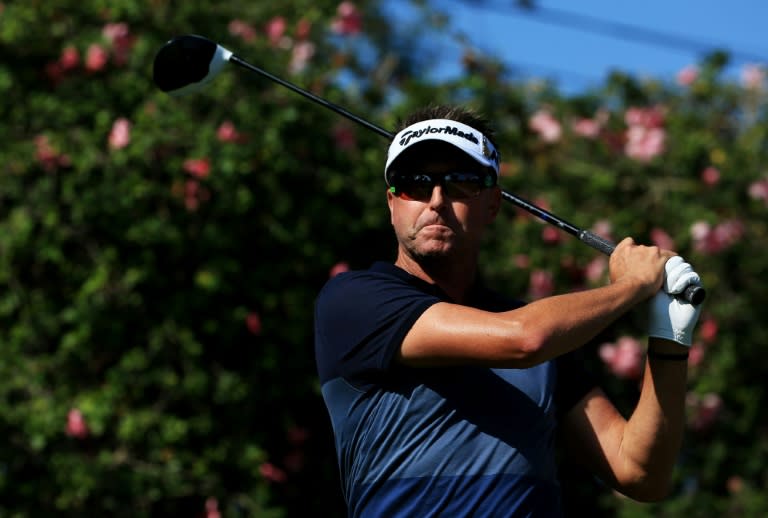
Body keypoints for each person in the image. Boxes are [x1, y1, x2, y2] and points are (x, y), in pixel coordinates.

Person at [314, 104, 703, 517]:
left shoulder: (548, 334)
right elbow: (523, 340)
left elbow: (640, 473)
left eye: (461, 182)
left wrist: (669, 342)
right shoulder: (355, 300)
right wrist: (632, 285)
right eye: (415, 184)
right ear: (392, 204)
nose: (437, 200)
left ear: (493, 204)